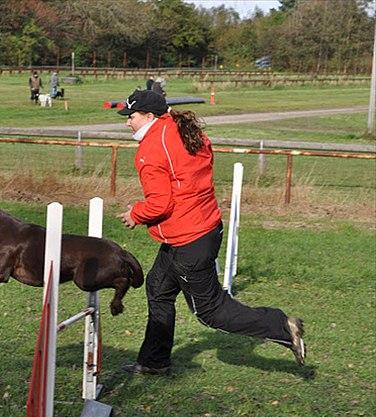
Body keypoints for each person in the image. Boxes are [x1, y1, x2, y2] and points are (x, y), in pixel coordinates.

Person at [114, 89, 306, 375]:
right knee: (157, 287)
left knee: (210, 311)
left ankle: (282, 327)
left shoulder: (152, 148)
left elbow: (159, 203)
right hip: (202, 227)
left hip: (189, 238)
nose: (127, 122)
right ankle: (155, 362)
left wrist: (135, 213)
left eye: (132, 116)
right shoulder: (185, 131)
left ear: (150, 116)